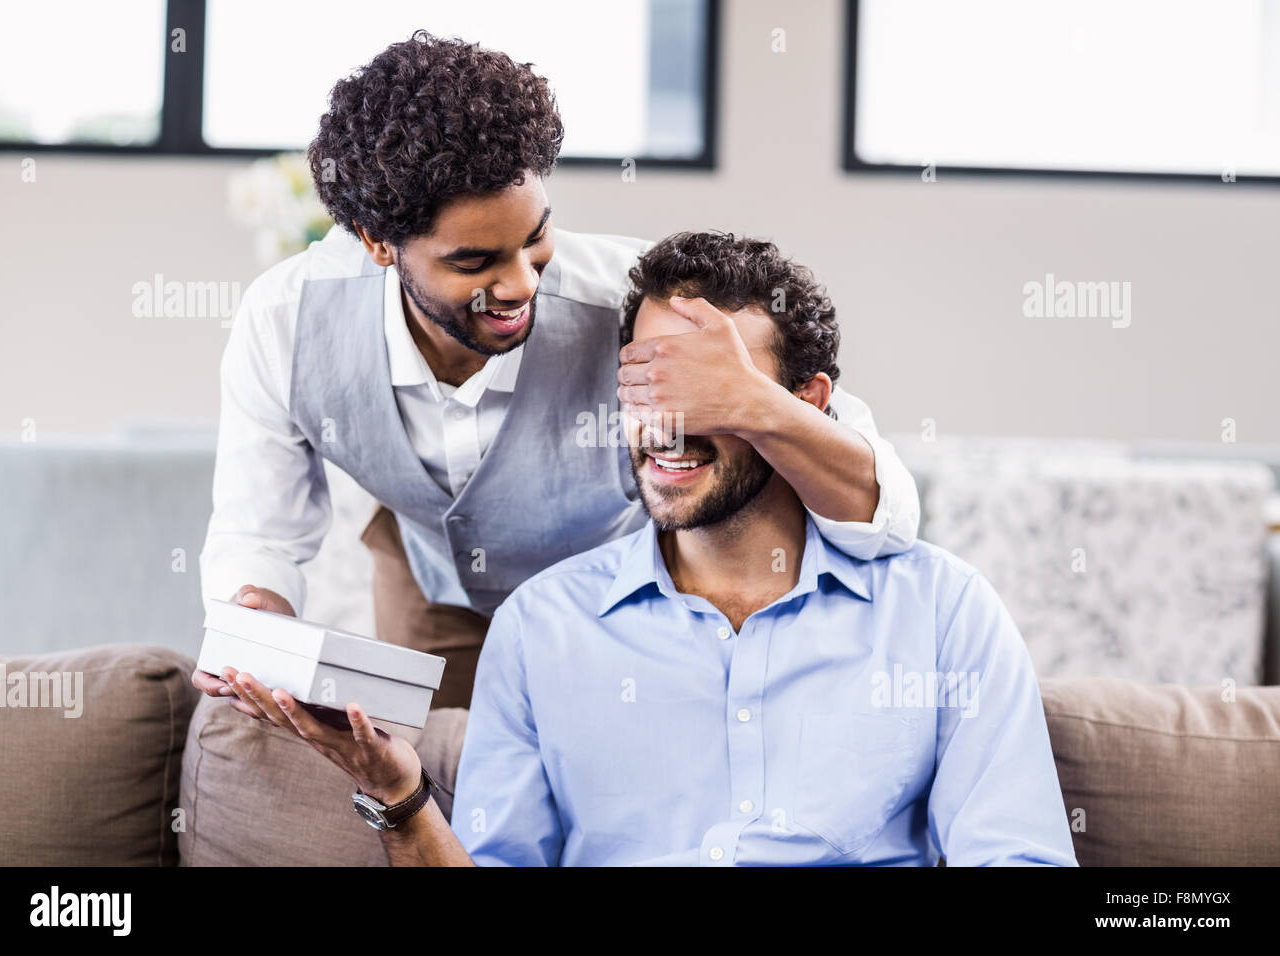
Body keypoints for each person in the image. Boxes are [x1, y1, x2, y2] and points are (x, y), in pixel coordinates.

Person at [223, 231, 1077, 867]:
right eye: (644, 380)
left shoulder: (942, 614)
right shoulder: (543, 633)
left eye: (701, 388)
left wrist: (753, 405)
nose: (665, 422)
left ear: (805, 403)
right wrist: (403, 797)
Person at [194, 31, 920, 710]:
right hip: (433, 596)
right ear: (377, 244)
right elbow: (259, 534)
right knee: (448, 792)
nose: (519, 284)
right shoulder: (287, 322)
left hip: (620, 593)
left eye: (535, 239)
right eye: (473, 262)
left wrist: (757, 404)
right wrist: (256, 614)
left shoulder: (637, 305)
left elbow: (887, 514)